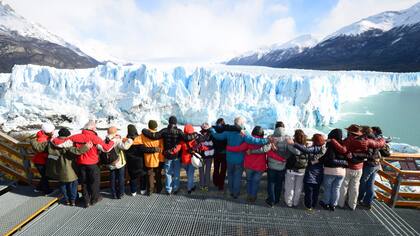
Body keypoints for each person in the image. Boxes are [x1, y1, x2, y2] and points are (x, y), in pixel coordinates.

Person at [210, 117, 269, 199]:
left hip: (229, 158)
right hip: (239, 159)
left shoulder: (228, 132)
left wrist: (212, 130)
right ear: (241, 124)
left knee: (230, 175)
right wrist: (266, 140)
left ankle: (231, 191)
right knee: (237, 176)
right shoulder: (244, 133)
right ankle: (236, 193)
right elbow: (255, 140)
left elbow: (218, 136)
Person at [31, 128, 92, 205]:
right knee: (73, 183)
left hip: (57, 168)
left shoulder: (50, 143)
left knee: (62, 184)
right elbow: (77, 151)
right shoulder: (68, 144)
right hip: (69, 168)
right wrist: (86, 147)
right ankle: (73, 200)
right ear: (67, 135)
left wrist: (33, 140)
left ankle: (67, 200)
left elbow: (38, 147)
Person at [141, 116, 198, 195]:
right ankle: (175, 188)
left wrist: (144, 131)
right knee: (176, 172)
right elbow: (187, 138)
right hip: (176, 156)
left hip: (167, 155)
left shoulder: (164, 131)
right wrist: (195, 134)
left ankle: (168, 189)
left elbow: (154, 136)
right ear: (175, 123)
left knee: (168, 173)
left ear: (169, 122)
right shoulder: (179, 131)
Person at [338, 124, 385, 210]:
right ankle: (353, 205)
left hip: (350, 166)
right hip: (361, 167)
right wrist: (382, 139)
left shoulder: (349, 140)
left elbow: (342, 149)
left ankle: (341, 203)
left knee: (345, 185)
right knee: (356, 186)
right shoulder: (370, 141)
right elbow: (378, 145)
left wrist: (333, 142)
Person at [69, 120, 115, 208]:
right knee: (94, 182)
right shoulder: (94, 138)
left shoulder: (75, 137)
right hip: (93, 164)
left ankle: (86, 201)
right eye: (95, 127)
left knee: (84, 182)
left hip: (81, 163)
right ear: (92, 128)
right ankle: (94, 199)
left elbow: (63, 142)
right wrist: (112, 141)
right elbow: (106, 149)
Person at [248, 121, 294, 207]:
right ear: (283, 128)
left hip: (271, 165)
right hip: (282, 166)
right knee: (279, 184)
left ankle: (271, 200)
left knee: (271, 183)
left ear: (275, 128)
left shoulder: (271, 137)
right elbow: (291, 151)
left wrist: (252, 151)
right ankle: (276, 199)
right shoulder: (288, 138)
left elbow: (264, 149)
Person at [226, 126, 266, 203]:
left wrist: (229, 148)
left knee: (249, 180)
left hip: (249, 166)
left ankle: (249, 195)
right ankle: (253, 197)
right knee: (256, 182)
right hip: (260, 167)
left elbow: (239, 148)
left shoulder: (248, 141)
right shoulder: (264, 142)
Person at [170, 124, 206, 194]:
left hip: (184, 160)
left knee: (188, 173)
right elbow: (200, 146)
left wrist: (171, 151)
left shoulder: (182, 140)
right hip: (192, 159)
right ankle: (189, 188)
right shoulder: (194, 139)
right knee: (190, 174)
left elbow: (177, 148)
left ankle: (191, 185)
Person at [125, 124, 160, 196]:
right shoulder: (138, 140)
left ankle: (133, 191)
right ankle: (142, 189)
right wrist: (155, 149)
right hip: (140, 162)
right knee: (143, 176)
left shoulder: (126, 141)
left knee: (133, 177)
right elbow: (145, 149)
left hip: (131, 163)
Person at [293, 134, 326, 211]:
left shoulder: (315, 148)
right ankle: (313, 205)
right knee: (316, 191)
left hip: (310, 174)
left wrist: (294, 144)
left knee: (309, 191)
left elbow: (306, 150)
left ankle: (308, 205)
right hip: (319, 174)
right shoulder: (324, 149)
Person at [358, 127, 387, 210]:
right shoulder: (376, 139)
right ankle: (367, 202)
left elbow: (369, 154)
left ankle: (359, 199)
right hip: (376, 165)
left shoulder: (368, 140)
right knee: (370, 184)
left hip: (369, 164)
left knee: (362, 182)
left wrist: (358, 155)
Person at [319, 129, 348, 211]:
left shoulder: (331, 146)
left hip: (330, 170)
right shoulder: (344, 145)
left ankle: (326, 203)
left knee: (328, 188)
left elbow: (329, 159)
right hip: (342, 171)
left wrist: (319, 160)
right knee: (336, 188)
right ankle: (333, 205)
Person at [135, 120, 164, 195]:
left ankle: (150, 190)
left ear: (149, 126)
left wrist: (124, 139)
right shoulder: (159, 136)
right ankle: (159, 189)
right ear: (156, 127)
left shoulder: (143, 135)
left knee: (150, 174)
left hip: (148, 158)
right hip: (158, 158)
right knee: (158, 174)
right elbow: (162, 147)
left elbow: (135, 141)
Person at [104, 126, 133, 199]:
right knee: (120, 178)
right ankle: (120, 193)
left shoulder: (105, 140)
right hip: (119, 162)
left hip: (110, 163)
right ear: (115, 132)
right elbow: (125, 147)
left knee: (112, 178)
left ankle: (113, 193)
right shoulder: (116, 140)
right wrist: (129, 140)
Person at [283, 130, 307, 208]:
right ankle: (295, 202)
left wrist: (288, 141)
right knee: (298, 188)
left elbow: (290, 153)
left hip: (291, 170)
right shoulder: (306, 146)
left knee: (289, 187)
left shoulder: (292, 146)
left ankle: (289, 202)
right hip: (302, 170)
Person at [31, 123, 55, 194]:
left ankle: (38, 188)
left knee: (44, 175)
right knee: (45, 176)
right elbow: (43, 153)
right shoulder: (43, 139)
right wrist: (53, 156)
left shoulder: (43, 137)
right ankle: (46, 191)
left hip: (39, 161)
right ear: (49, 131)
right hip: (40, 161)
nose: (54, 131)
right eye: (53, 130)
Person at [212, 118, 228, 191]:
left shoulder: (214, 130)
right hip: (224, 153)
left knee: (216, 168)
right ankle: (221, 185)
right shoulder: (226, 131)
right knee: (223, 170)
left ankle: (215, 182)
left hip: (216, 152)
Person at [198, 123, 214, 191]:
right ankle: (206, 186)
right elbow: (214, 145)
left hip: (201, 156)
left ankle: (202, 186)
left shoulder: (199, 135)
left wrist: (204, 148)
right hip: (209, 157)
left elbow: (198, 145)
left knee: (201, 171)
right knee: (207, 171)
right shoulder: (212, 135)